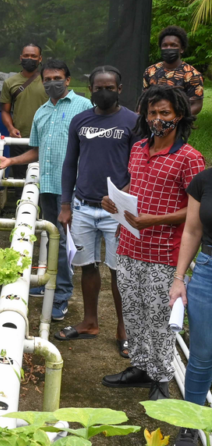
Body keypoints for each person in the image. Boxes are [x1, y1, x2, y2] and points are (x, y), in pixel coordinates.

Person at [102, 85, 204, 401]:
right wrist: (117, 201)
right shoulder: (138, 148)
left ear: (179, 116)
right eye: (152, 112)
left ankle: (161, 379)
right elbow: (137, 184)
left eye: (165, 113)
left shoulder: (190, 158)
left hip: (164, 254)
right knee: (133, 313)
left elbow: (196, 209)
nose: (158, 119)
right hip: (131, 246)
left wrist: (153, 220)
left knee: (160, 320)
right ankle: (140, 367)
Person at [0, 59, 92, 321]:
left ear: (68, 80)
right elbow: (36, 151)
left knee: (68, 243)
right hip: (49, 186)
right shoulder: (41, 112)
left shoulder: (83, 108)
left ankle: (61, 295)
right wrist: (12, 161)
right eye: (47, 79)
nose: (52, 83)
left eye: (57, 78)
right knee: (54, 240)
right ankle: (52, 285)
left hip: (73, 188)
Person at [56, 66, 140, 358]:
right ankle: (90, 322)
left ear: (119, 89)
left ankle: (124, 330)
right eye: (98, 87)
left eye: (110, 87)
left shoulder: (133, 121)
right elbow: (69, 164)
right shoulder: (80, 120)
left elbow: (139, 166)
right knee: (87, 265)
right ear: (90, 89)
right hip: (83, 206)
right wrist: (66, 205)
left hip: (118, 211)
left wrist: (126, 197)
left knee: (120, 270)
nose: (104, 92)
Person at [168, 166, 212, 446]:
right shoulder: (204, 180)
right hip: (208, 272)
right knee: (201, 355)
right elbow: (193, 230)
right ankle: (189, 423)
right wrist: (179, 277)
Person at [0, 43, 48, 173]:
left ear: (40, 59)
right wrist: (11, 128)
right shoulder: (10, 82)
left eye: (33, 56)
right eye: (26, 56)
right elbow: (5, 111)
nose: (29, 59)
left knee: (42, 179)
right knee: (19, 181)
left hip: (44, 139)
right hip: (19, 139)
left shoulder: (48, 81)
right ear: (21, 58)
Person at [143, 25, 204, 116]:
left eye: (173, 45)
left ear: (182, 49)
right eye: (165, 45)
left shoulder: (192, 74)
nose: (168, 48)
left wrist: (176, 119)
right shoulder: (150, 71)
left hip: (179, 126)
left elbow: (196, 104)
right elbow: (144, 99)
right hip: (152, 123)